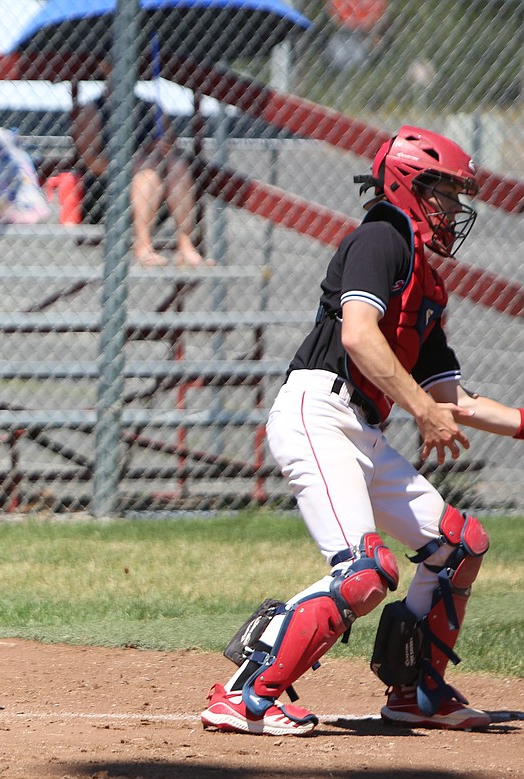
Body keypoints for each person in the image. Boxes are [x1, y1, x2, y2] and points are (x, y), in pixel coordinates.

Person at [199, 126, 520, 736]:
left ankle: (415, 691)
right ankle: (247, 693)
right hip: (318, 411)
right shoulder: (381, 237)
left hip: (360, 429)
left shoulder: (426, 285)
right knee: (365, 571)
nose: (454, 210)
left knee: (459, 546)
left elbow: (454, 400)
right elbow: (357, 335)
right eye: (445, 194)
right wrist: (421, 410)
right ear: (408, 184)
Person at [72, 81, 209, 268]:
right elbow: (90, 162)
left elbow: (170, 147)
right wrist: (135, 162)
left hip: (157, 198)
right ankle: (143, 245)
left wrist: (164, 149)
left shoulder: (151, 108)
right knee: (147, 168)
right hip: (105, 195)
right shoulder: (93, 110)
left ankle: (185, 244)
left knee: (177, 165)